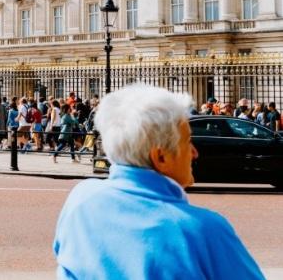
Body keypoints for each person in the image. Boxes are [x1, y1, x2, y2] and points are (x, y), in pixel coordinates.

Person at [54, 84, 264, 280]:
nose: (194, 152)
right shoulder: (202, 230)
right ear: (161, 157)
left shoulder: (81, 199)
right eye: (187, 142)